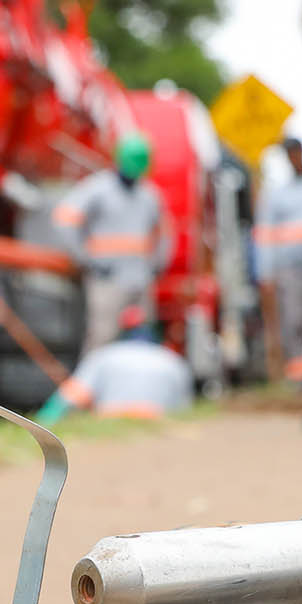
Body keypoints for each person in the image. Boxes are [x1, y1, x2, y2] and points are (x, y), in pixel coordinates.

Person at [53, 131, 171, 355]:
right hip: (107, 279)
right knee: (103, 337)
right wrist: (85, 258)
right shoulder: (98, 189)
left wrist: (158, 263)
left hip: (140, 278)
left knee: (142, 339)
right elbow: (64, 219)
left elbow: (165, 232)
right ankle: (91, 388)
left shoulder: (149, 194)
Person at [254, 136, 302, 387]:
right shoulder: (277, 195)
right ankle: (301, 379)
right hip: (291, 269)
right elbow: (265, 236)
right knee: (294, 321)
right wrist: (266, 273)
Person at [44, 306, 194, 421]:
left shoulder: (104, 356)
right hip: (157, 422)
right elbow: (184, 411)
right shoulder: (175, 362)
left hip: (111, 418)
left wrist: (45, 421)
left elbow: (69, 398)